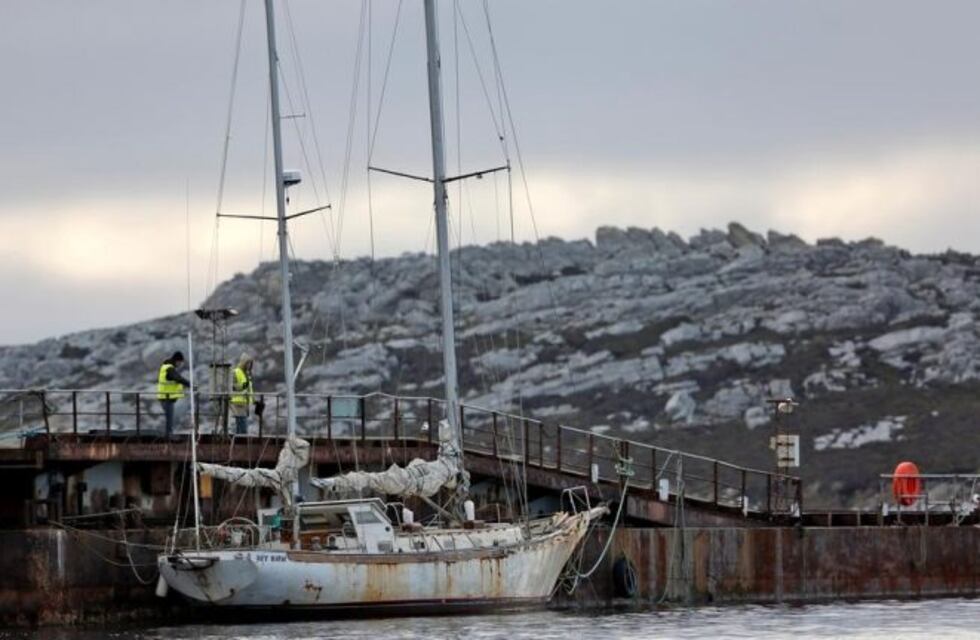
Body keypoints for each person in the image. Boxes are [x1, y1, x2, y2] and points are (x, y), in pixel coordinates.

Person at [157, 351, 190, 436]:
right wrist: (190, 384)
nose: (180, 365)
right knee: (170, 418)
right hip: (167, 397)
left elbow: (174, 381)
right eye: (180, 362)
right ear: (177, 361)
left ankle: (169, 434)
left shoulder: (166, 367)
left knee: (170, 418)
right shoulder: (169, 368)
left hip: (165, 397)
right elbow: (177, 378)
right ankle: (169, 435)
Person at [230, 352, 254, 435]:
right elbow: (232, 386)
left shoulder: (247, 374)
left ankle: (239, 441)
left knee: (241, 427)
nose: (249, 366)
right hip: (237, 402)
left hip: (244, 403)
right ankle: (240, 442)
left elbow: (249, 388)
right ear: (244, 363)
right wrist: (244, 386)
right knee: (242, 427)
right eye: (248, 363)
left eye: (250, 364)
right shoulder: (236, 372)